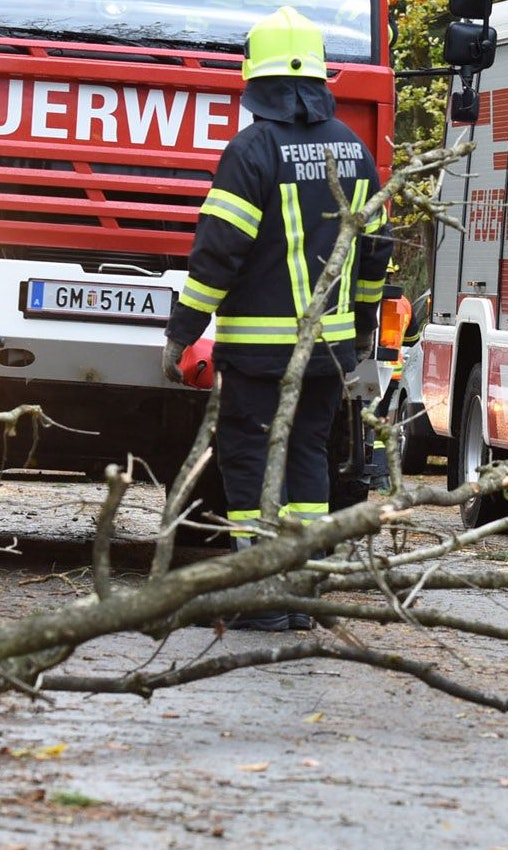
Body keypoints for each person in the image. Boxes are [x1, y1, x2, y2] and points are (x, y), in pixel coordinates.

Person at [161, 6, 393, 631]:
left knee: (250, 462)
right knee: (307, 462)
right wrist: (363, 327)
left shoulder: (252, 149)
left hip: (261, 357)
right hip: (329, 354)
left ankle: (260, 599)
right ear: (320, 79)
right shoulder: (353, 149)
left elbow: (219, 252)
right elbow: (375, 249)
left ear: (253, 79)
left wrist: (183, 329)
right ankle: (301, 592)